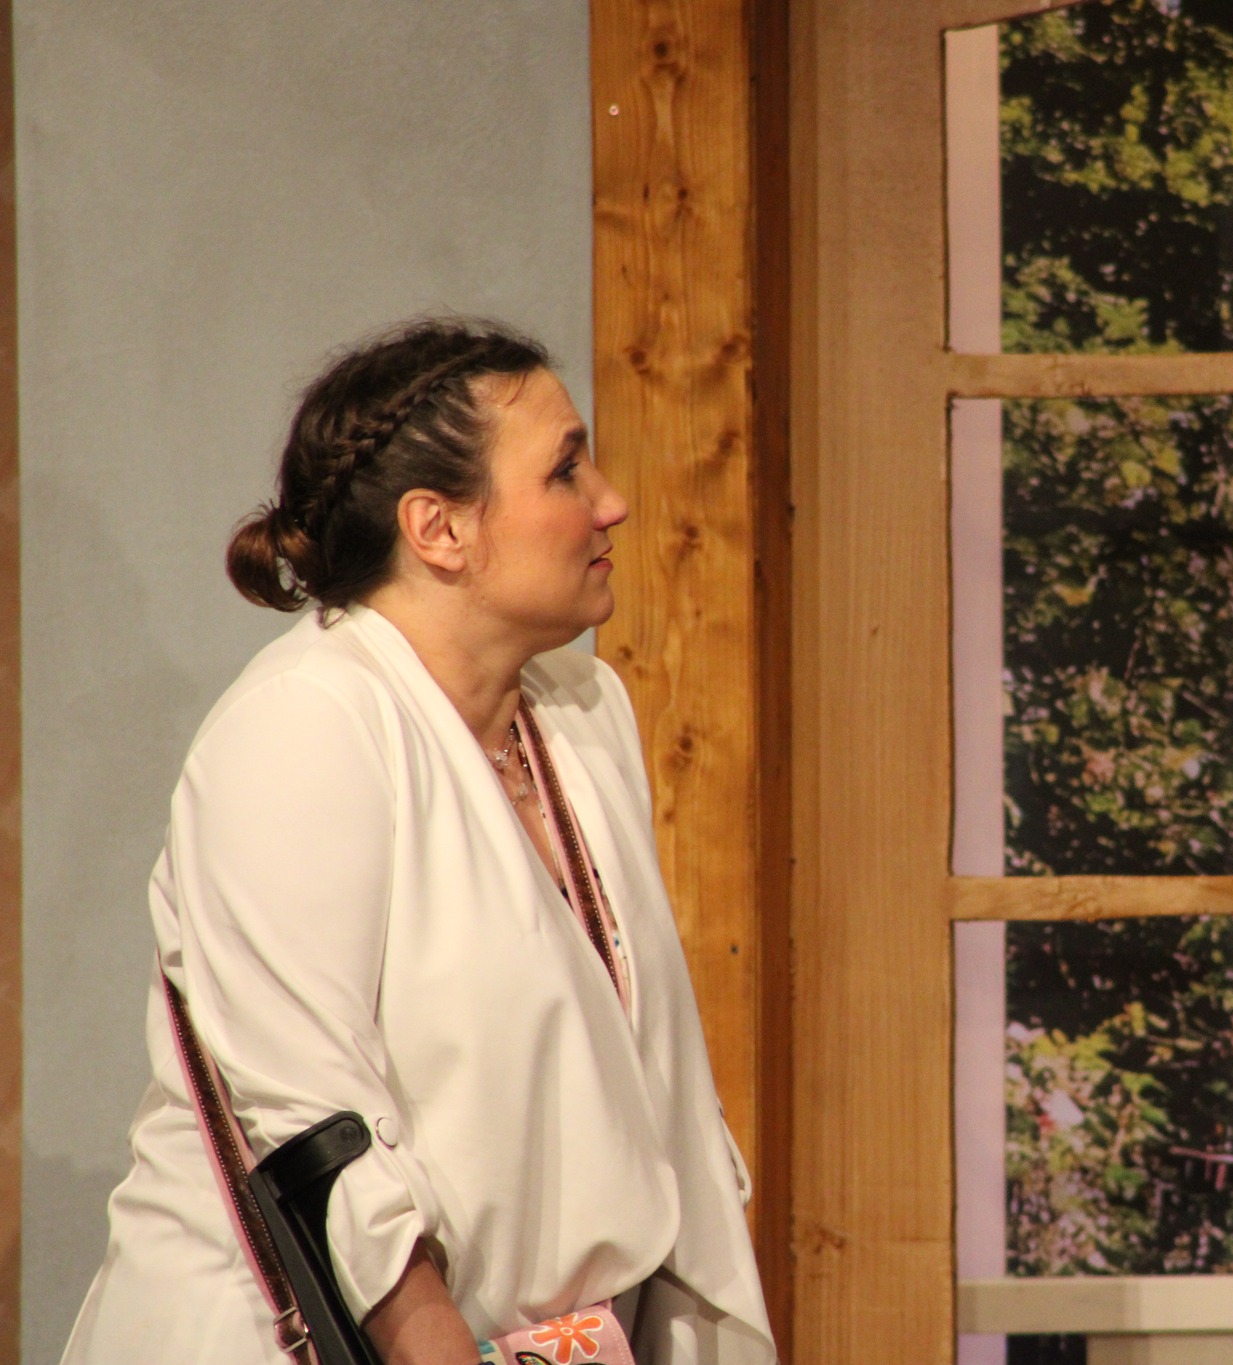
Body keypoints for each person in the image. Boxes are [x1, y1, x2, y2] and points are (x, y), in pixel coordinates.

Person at [61, 319, 774, 1365]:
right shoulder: (306, 724)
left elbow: (643, 1087)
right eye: (565, 471)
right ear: (438, 528)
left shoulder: (581, 707)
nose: (611, 502)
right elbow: (310, 1112)